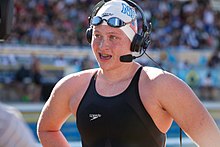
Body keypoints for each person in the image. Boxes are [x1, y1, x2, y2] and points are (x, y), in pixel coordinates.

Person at [37, 0, 220, 147]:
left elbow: (213, 141)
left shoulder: (160, 85)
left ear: (135, 42)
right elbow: (47, 129)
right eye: (97, 35)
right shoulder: (72, 86)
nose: (102, 45)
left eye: (113, 37)